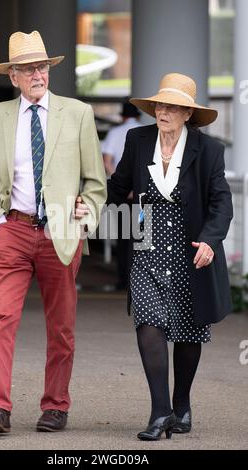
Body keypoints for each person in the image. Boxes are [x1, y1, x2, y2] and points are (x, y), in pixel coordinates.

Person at [0, 30, 106, 434]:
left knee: (61, 326)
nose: (37, 74)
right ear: (13, 76)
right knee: (1, 319)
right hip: (11, 228)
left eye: (42, 66)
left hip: (61, 232)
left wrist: (86, 214)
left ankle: (56, 406)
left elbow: (95, 182)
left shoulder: (78, 113)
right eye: (28, 68)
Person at [106, 73, 233, 440]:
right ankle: (160, 412)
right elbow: (118, 187)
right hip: (146, 246)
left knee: (188, 330)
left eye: (172, 107)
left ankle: (182, 403)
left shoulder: (208, 150)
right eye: (160, 105)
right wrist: (90, 207)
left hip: (190, 251)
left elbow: (221, 203)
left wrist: (210, 240)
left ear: (187, 114)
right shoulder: (138, 139)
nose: (163, 111)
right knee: (148, 321)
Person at [102, 102, 141, 289]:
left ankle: (123, 280)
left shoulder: (115, 133)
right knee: (142, 238)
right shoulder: (146, 133)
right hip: (143, 194)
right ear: (138, 116)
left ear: (122, 116)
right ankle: (140, 281)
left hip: (121, 193)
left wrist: (121, 183)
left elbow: (107, 161)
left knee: (123, 237)